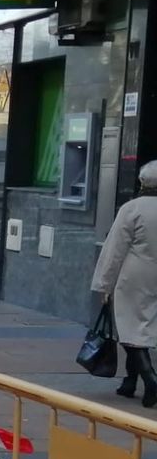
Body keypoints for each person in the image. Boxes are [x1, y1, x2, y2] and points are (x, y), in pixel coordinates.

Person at [91, 160, 157, 406]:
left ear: (143, 182)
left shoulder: (132, 209)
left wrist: (105, 284)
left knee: (130, 329)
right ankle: (129, 382)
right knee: (144, 329)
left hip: (134, 275)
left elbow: (115, 250)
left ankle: (150, 379)